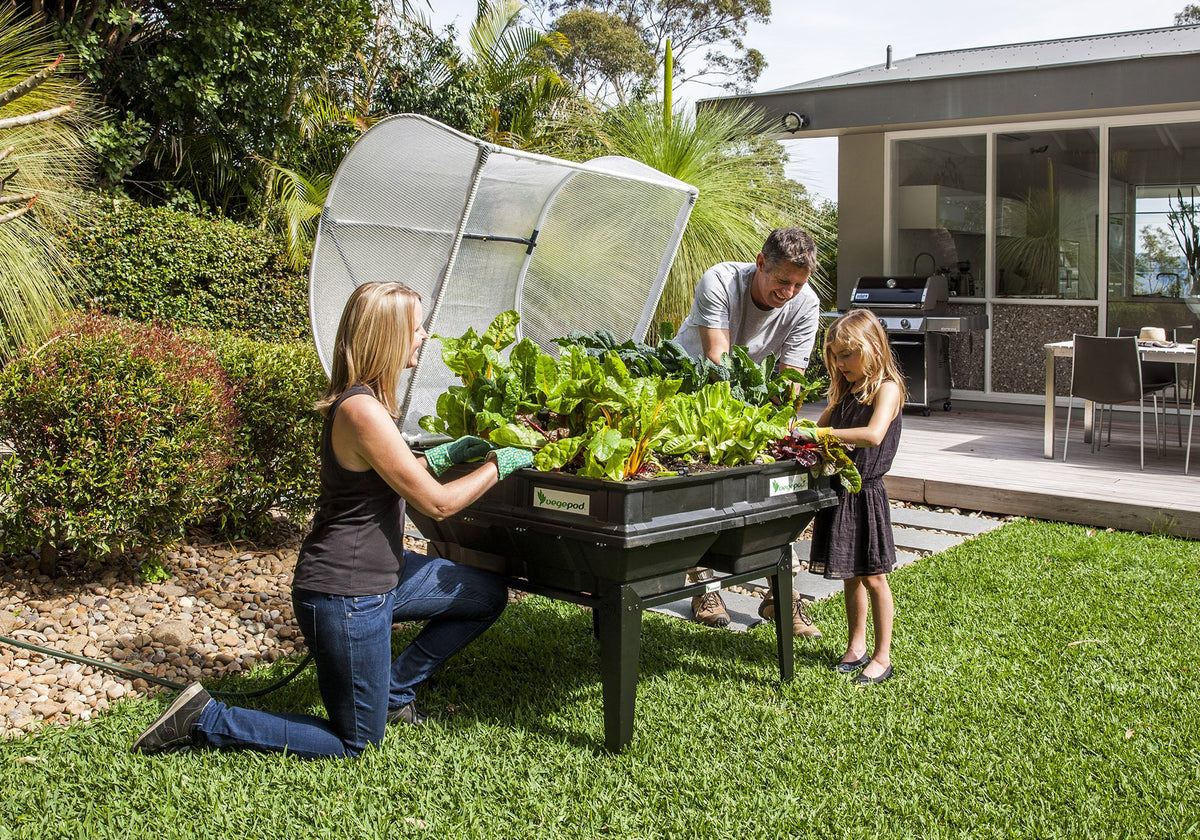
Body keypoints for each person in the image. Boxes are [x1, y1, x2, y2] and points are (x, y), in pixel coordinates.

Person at [131, 282, 533, 758]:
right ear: (385, 337)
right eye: (415, 327)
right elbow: (437, 505)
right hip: (346, 594)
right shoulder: (362, 410)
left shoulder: (369, 404)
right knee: (355, 743)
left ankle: (393, 693)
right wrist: (498, 465)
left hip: (384, 576)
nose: (424, 336)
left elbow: (396, 476)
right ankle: (205, 718)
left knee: (484, 594)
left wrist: (445, 455)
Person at [674, 227, 823, 637]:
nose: (789, 292)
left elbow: (790, 378)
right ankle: (705, 588)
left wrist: (780, 433)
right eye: (782, 282)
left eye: (797, 284)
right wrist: (744, 426)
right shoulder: (720, 280)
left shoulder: (805, 304)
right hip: (691, 394)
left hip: (746, 404)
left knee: (773, 495)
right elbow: (718, 361)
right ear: (760, 263)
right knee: (702, 494)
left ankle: (782, 597)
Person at [801, 309, 905, 685]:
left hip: (866, 492)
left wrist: (822, 437)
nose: (841, 363)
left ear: (873, 349)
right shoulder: (846, 392)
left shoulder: (887, 389)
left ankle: (883, 656)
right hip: (842, 488)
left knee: (874, 576)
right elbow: (817, 426)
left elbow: (875, 435)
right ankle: (856, 645)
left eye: (848, 354)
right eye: (835, 356)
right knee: (850, 575)